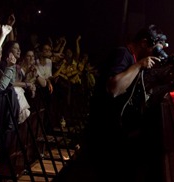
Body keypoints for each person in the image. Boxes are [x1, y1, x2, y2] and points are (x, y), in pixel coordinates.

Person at [68, 25, 164, 182]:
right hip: (103, 134)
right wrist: (139, 65)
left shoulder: (132, 58)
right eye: (153, 49)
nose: (153, 54)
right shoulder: (123, 54)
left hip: (112, 131)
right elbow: (114, 88)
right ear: (144, 43)